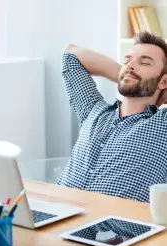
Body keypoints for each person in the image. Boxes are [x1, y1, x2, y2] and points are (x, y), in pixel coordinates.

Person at [57, 31, 167, 203]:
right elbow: (71, 55)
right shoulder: (93, 110)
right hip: (57, 220)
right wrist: (127, 75)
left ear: (164, 82)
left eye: (144, 62)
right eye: (127, 60)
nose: (130, 65)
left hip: (113, 229)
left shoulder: (162, 125)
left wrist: (151, 85)